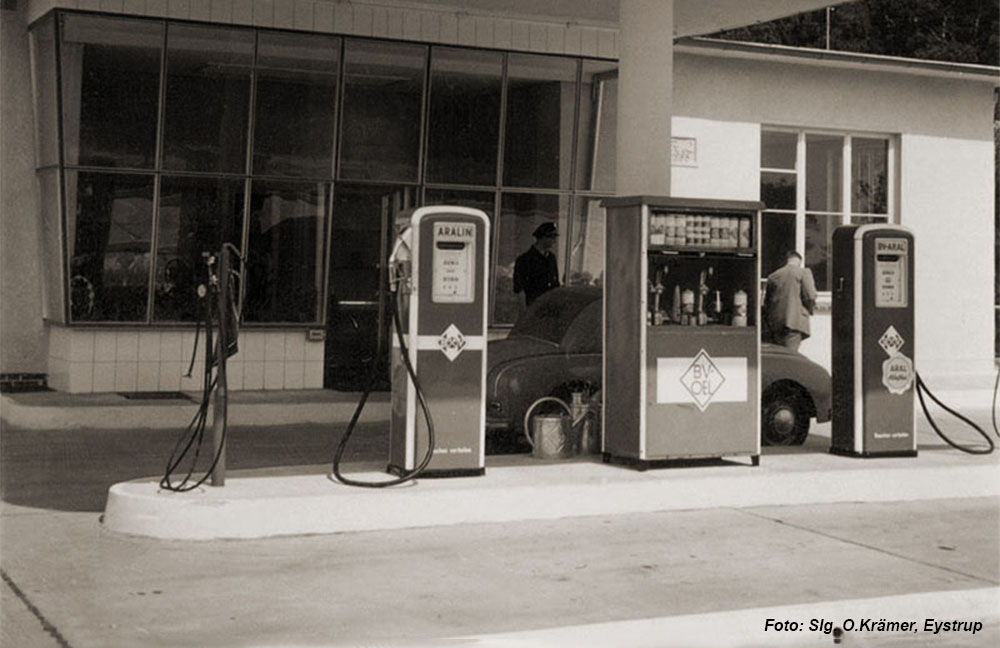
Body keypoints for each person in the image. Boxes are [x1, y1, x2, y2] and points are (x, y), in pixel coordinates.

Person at [763, 250, 817, 351]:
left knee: (780, 355)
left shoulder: (773, 276)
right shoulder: (803, 272)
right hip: (794, 323)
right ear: (799, 261)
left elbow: (767, 302)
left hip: (776, 323)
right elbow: (810, 296)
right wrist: (809, 310)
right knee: (791, 356)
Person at [513, 222, 560, 307]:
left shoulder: (551, 258)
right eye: (552, 237)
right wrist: (525, 313)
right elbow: (520, 290)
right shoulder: (525, 260)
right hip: (534, 306)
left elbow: (555, 284)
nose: (554, 241)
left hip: (550, 307)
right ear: (543, 237)